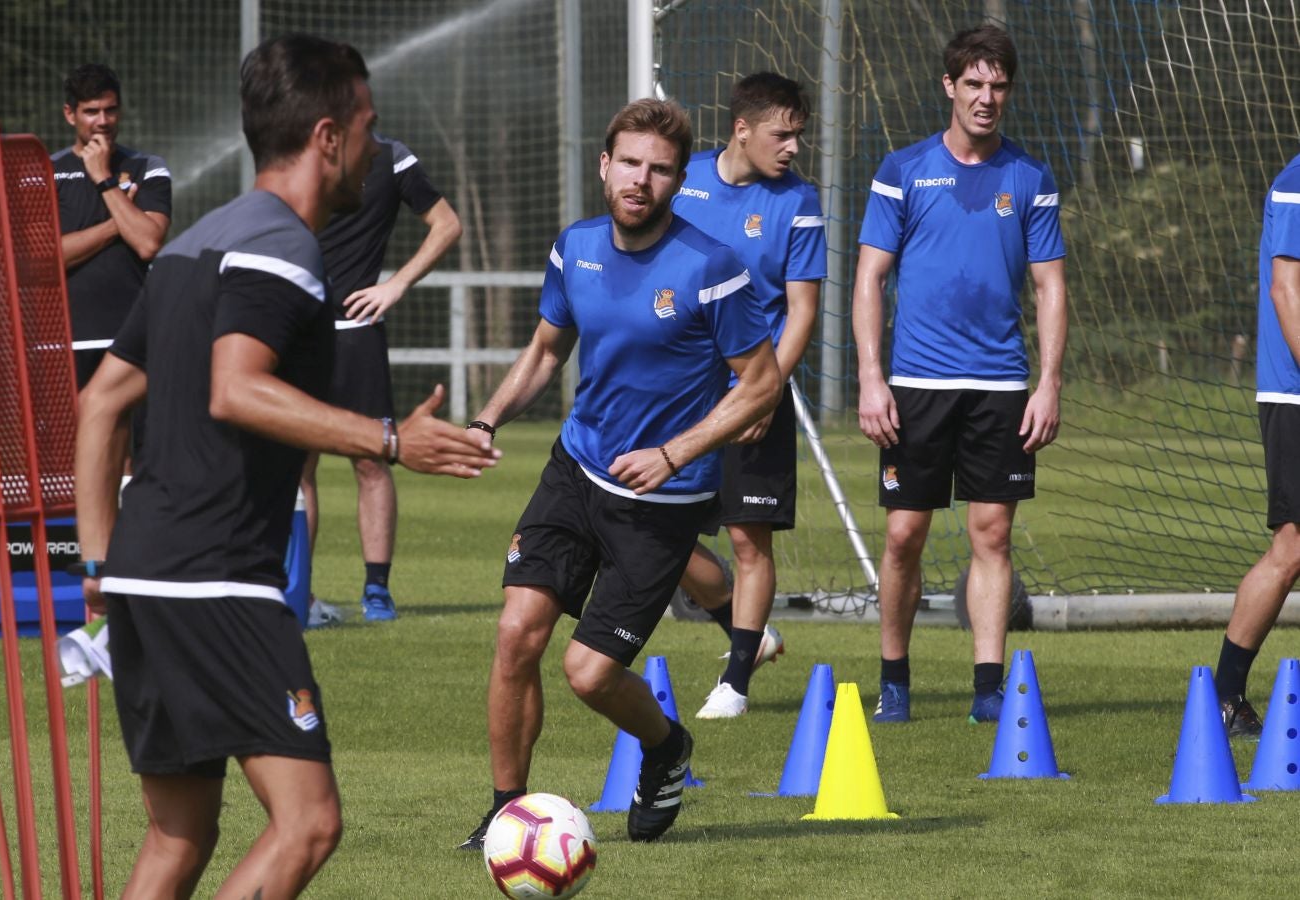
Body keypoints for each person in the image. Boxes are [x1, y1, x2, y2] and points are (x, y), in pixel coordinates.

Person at [73, 35, 499, 898]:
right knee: (308, 824)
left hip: (143, 575)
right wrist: (389, 440)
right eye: (369, 129)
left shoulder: (196, 241)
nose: (377, 152)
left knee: (176, 836)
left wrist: (97, 564)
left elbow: (100, 404)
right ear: (327, 137)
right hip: (216, 578)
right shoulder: (283, 248)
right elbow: (237, 389)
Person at [457, 98, 781, 850]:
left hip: (661, 502)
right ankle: (509, 814)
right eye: (630, 163)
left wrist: (675, 451)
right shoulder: (575, 247)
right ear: (604, 166)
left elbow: (761, 383)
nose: (642, 180)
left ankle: (666, 748)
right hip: (575, 469)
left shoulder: (711, 267)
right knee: (516, 635)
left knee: (589, 674)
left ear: (678, 180)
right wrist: (486, 419)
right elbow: (545, 350)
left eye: (660, 169)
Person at [853, 24, 1067, 725]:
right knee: (903, 535)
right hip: (915, 385)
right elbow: (869, 279)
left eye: (997, 85)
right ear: (949, 87)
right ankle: (894, 683)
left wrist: (1049, 383)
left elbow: (1050, 287)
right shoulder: (903, 170)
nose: (986, 97)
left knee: (992, 536)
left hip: (1000, 385)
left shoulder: (1030, 178)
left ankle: (987, 690)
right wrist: (871, 378)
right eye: (973, 84)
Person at [669, 71, 827, 720]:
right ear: (741, 129)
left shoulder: (800, 201)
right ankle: (752, 634)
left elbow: (803, 312)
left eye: (798, 136)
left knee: (747, 541)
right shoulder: (682, 181)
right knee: (658, 534)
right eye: (780, 134)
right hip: (678, 391)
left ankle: (734, 683)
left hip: (753, 391)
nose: (792, 148)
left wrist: (763, 394)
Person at [301, 134, 464, 626]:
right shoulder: (299, 156)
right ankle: (299, 595)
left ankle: (377, 590)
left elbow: (446, 223)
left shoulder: (391, 158)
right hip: (296, 332)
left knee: (372, 460)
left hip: (356, 333)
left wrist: (396, 284)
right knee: (295, 469)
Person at [1214, 151, 1300, 739]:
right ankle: (1224, 696)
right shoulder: (1297, 183)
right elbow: (1285, 290)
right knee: (1292, 547)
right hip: (1295, 394)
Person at [52, 63, 171, 391]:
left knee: (140, 442)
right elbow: (44, 261)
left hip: (132, 339)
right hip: (63, 341)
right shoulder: (43, 173)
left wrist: (104, 179)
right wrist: (117, 225)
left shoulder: (148, 167)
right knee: (70, 442)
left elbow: (148, 243)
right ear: (69, 114)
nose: (102, 121)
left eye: (110, 110)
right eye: (91, 111)